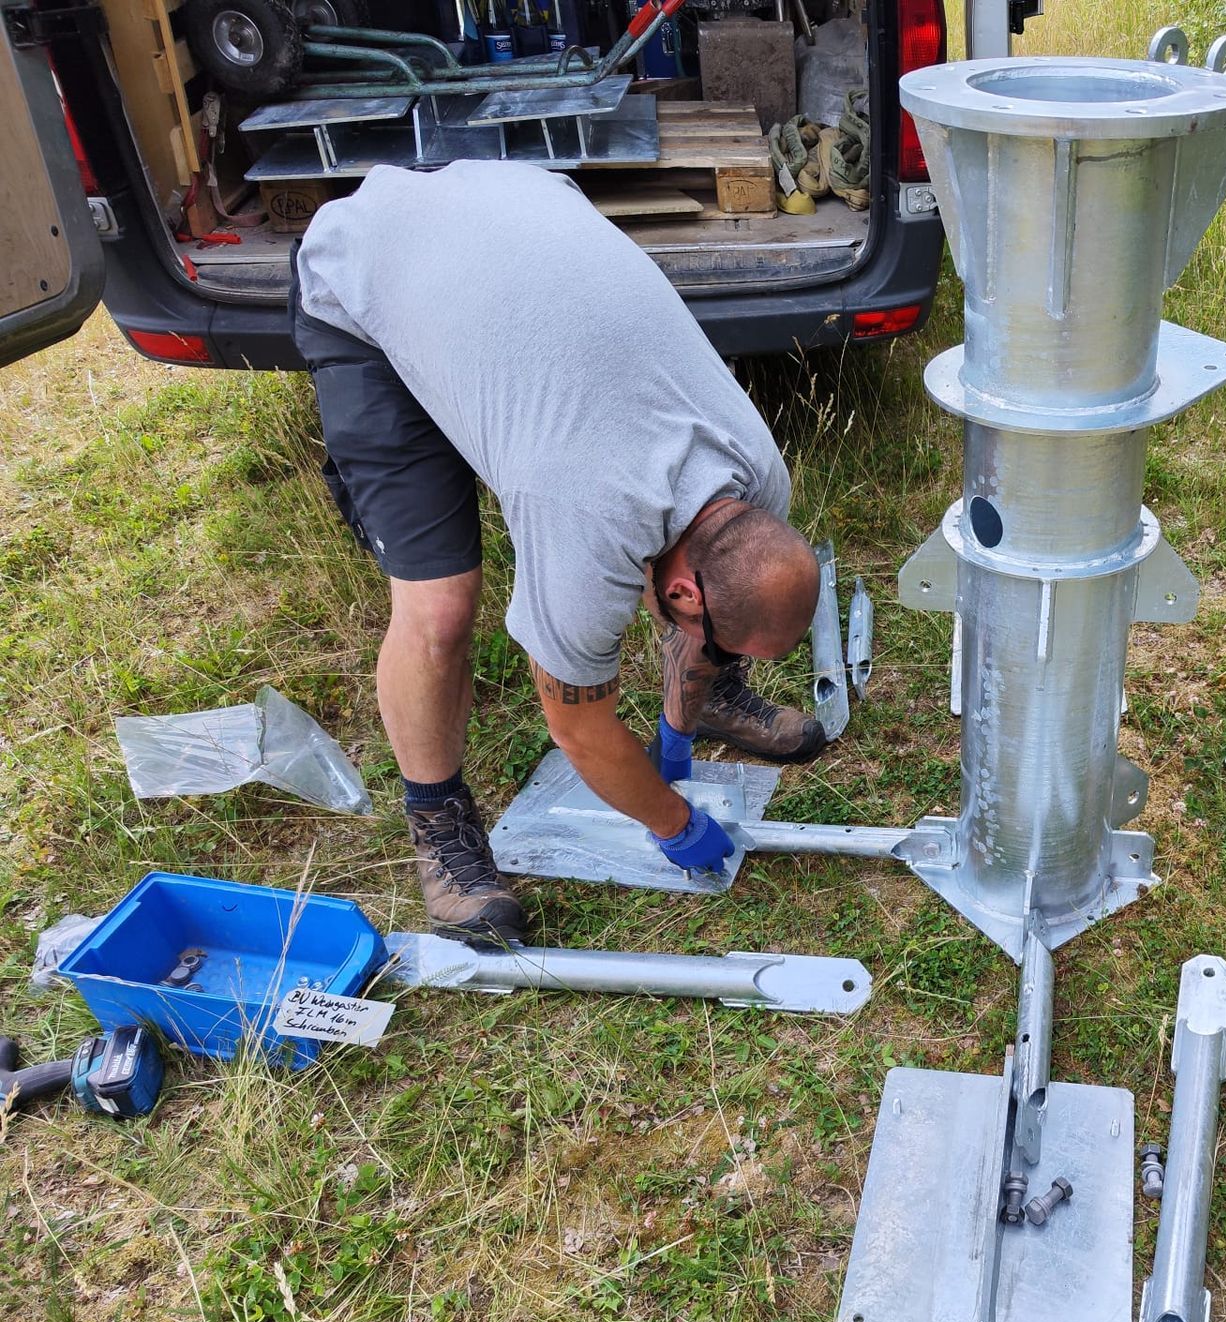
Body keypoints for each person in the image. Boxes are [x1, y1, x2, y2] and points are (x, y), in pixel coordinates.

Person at [289, 160, 827, 943]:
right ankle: (437, 822)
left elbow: (713, 598)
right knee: (440, 605)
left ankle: (706, 704)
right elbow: (579, 727)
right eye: (712, 639)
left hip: (515, 206)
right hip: (370, 273)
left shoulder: (757, 475)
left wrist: (681, 721)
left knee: (710, 614)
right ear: (681, 596)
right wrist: (673, 824)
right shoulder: (588, 524)